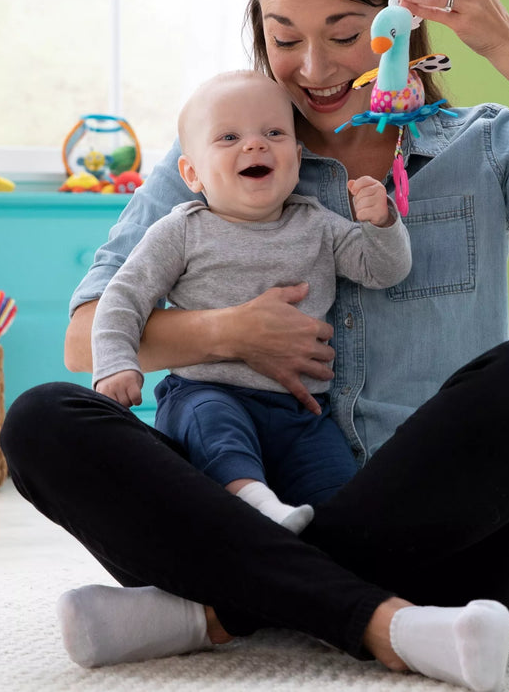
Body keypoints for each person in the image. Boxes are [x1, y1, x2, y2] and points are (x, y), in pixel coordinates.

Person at [0, 0, 509, 691]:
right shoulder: (218, 153)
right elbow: (87, 335)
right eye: (284, 38)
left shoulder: (482, 145)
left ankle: (223, 611)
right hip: (246, 508)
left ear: (398, 27)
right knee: (43, 420)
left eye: (343, 35)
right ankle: (373, 615)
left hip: (445, 545)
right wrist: (229, 332)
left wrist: (507, 43)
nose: (315, 69)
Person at [91, 69, 412, 535]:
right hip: (207, 392)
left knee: (339, 492)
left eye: (274, 133)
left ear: (297, 159)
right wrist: (116, 363)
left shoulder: (318, 225)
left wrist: (381, 224)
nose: (255, 145)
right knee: (214, 432)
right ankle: (256, 504)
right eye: (229, 137)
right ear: (192, 173)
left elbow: (382, 270)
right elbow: (124, 295)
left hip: (301, 410)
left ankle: (324, 545)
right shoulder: (181, 230)